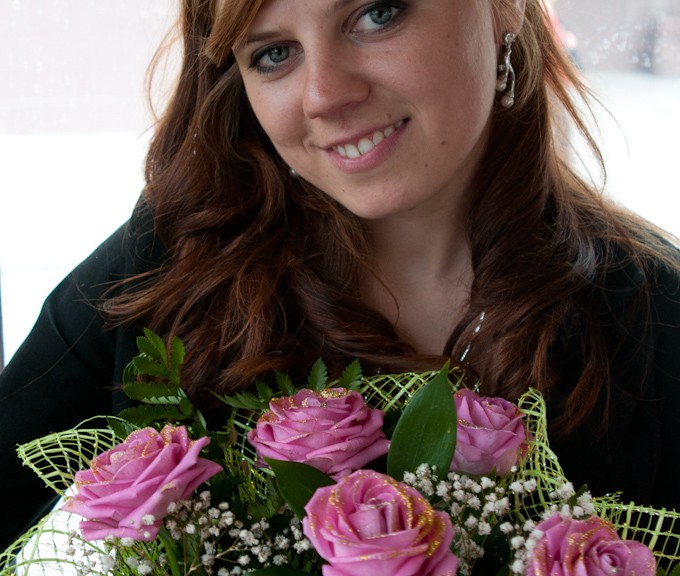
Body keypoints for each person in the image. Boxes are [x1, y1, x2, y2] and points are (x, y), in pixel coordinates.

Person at [2, 0, 679, 552]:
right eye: (274, 54)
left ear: (502, 9)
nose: (325, 95)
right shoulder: (166, 264)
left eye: (377, 14)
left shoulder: (658, 314)